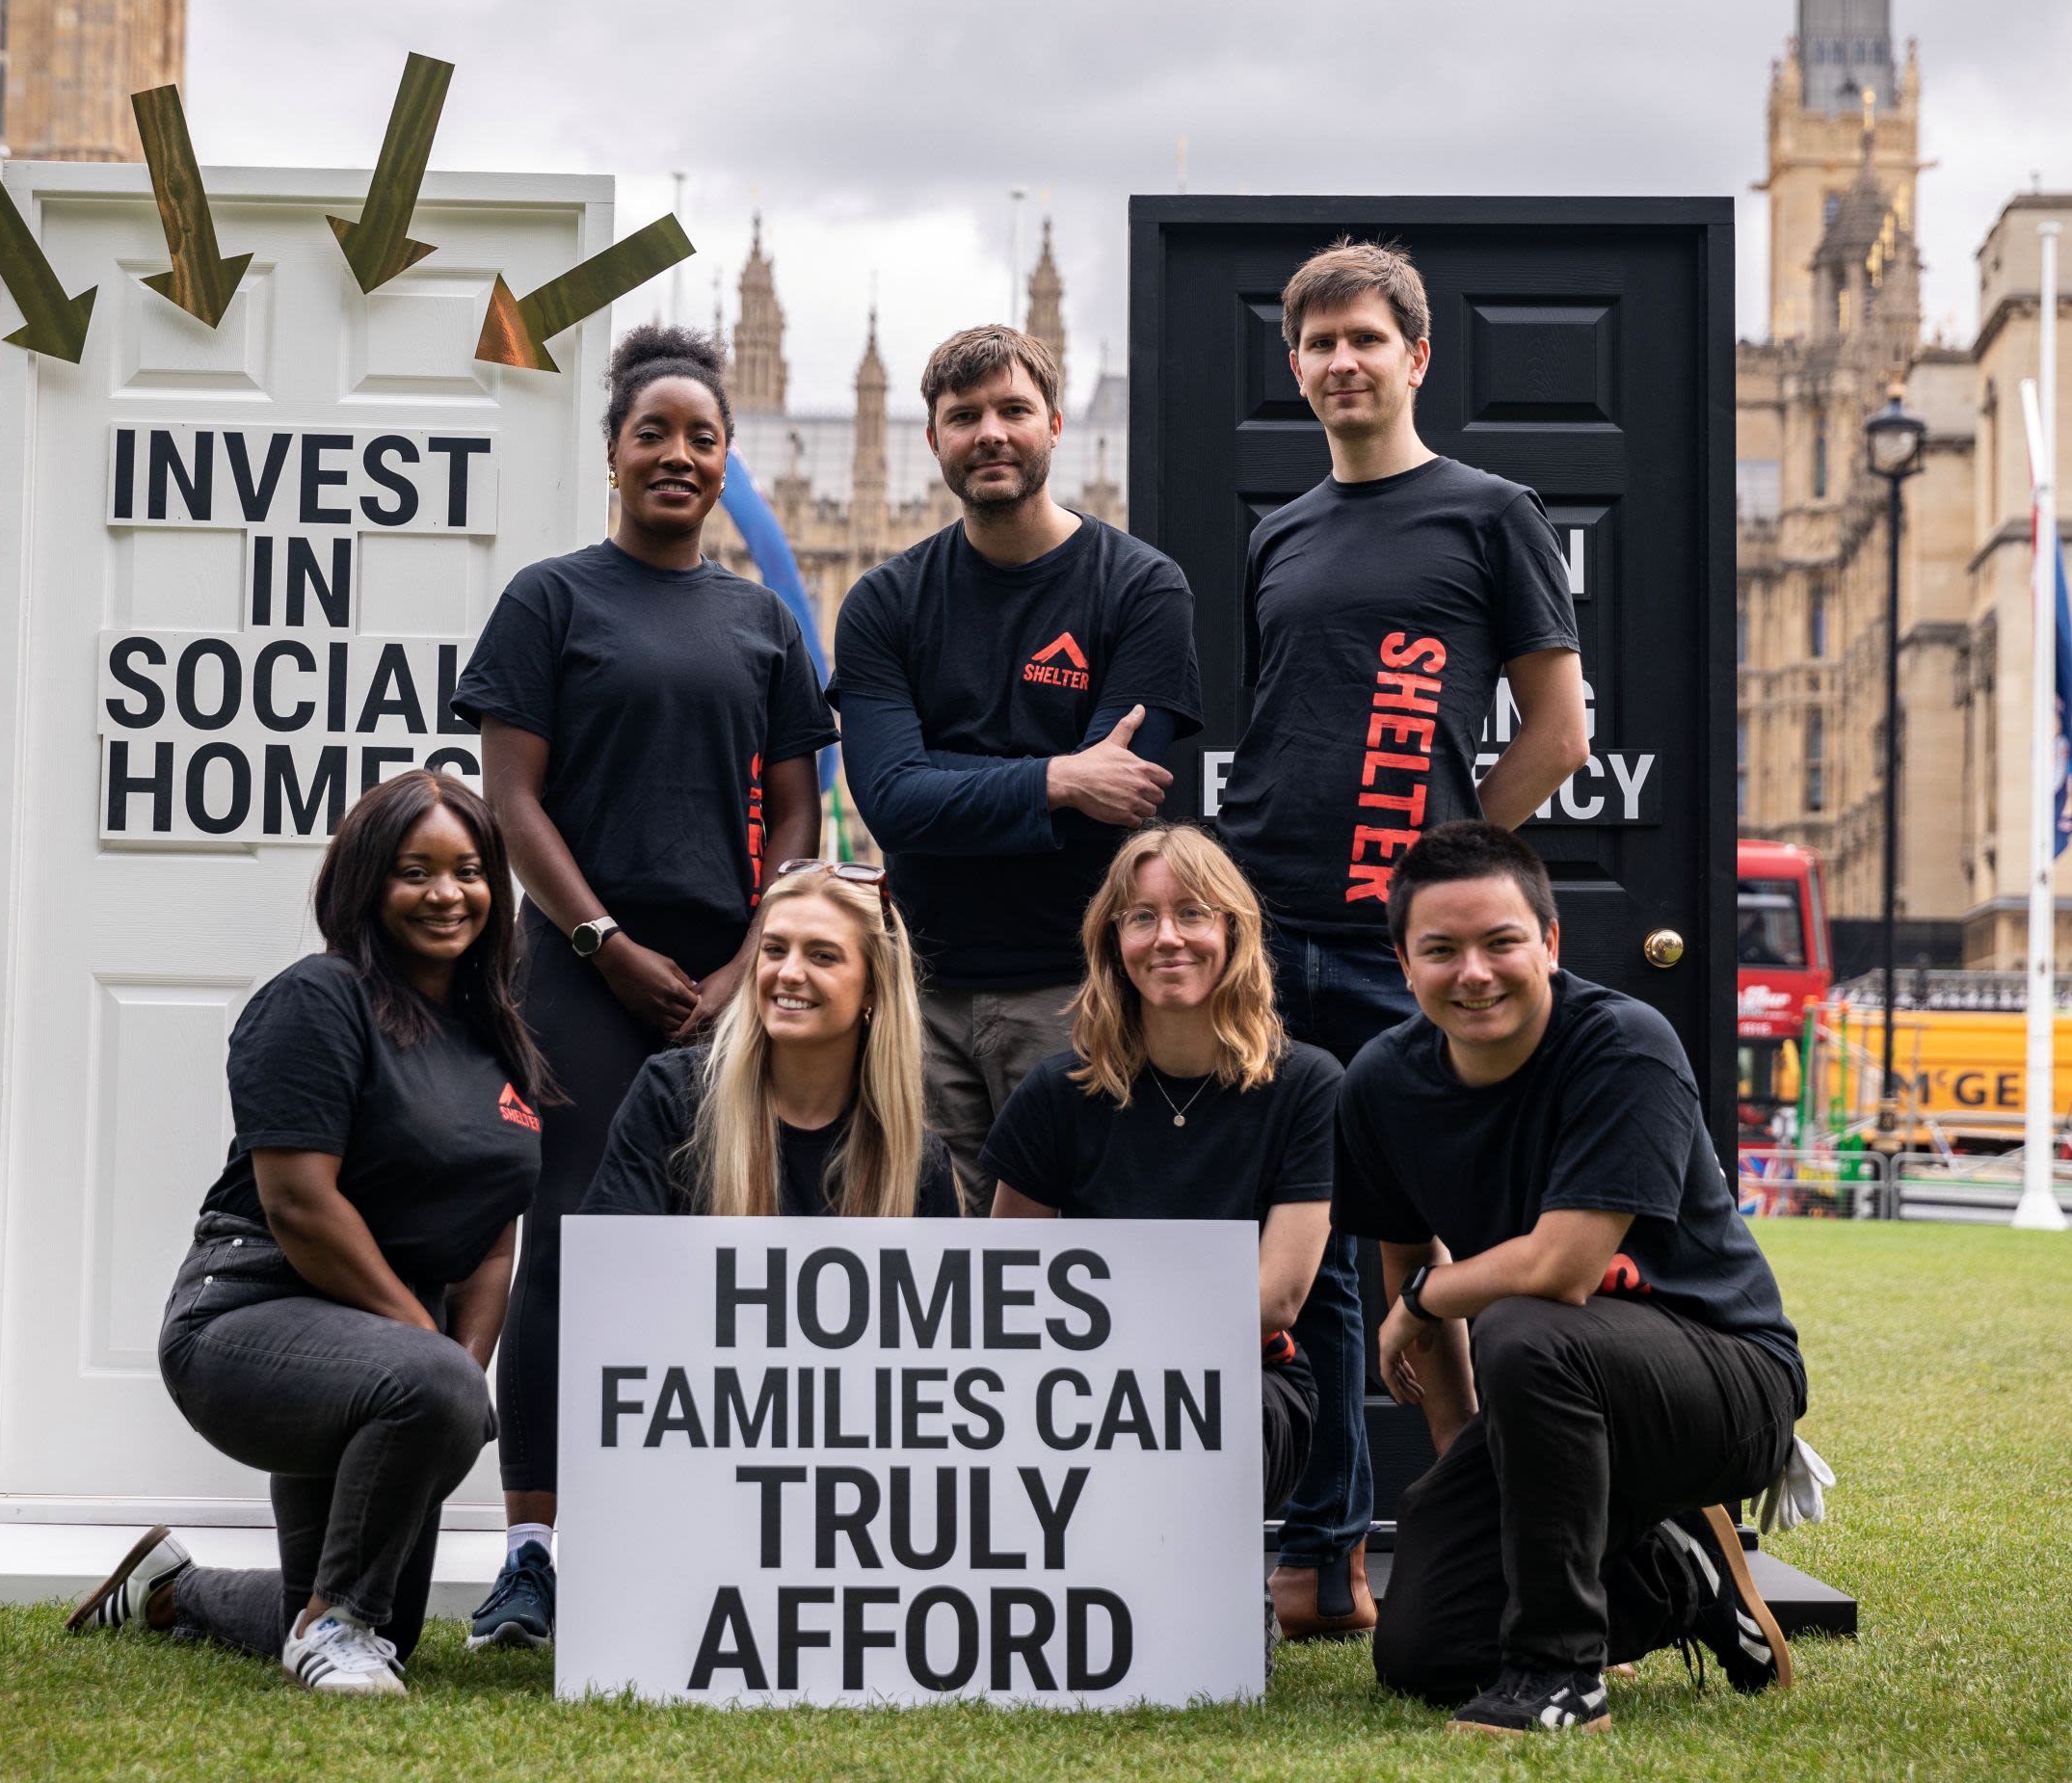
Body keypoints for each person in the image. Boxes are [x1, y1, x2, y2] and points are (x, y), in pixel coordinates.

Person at [1213, 239, 1592, 1638]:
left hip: (1397, 953)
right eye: (1314, 345)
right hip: (1269, 933)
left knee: (1434, 1260)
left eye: (1364, 339)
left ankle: (1489, 1540)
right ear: (1296, 366)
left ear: (1415, 356)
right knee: (1304, 1260)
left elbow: (1559, 732)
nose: (1339, 363)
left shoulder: (1490, 512)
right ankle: (1324, 1560)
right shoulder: (1282, 531)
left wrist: (1442, 871)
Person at [451, 325, 836, 1650]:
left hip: (731, 981)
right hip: (571, 973)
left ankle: (697, 1529)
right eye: (653, 433)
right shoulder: (552, 602)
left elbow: (799, 813)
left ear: (728, 461)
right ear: (611, 451)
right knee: (565, 1245)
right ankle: (537, 1551)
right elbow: (510, 800)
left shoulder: (761, 620)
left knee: (724, 1247)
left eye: (702, 437)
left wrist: (744, 968)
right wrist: (606, 941)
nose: (679, 453)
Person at [65, 772, 545, 1695]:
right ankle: (334, 1627)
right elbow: (300, 1205)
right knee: (358, 1609)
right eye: (416, 871)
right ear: (366, 881)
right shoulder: (316, 1000)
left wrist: (459, 1373)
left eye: (470, 870)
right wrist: (434, 1359)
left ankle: (178, 1591)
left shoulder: (498, 1033)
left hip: (387, 1347)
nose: (447, 893)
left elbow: (494, 1233)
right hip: (252, 1314)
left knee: (392, 1627)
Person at [1338, 822, 1806, 1737]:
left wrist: (1424, 1301)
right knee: (1422, 1654)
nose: (1473, 971)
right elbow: (1406, 1275)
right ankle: (1679, 1573)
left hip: (1724, 1381)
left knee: (1526, 1325)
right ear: (1404, 965)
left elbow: (1560, 1269)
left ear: (1548, 944)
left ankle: (1559, 1675)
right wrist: (1470, 1455)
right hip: (1553, 1382)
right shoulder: (1381, 1085)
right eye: (1441, 949)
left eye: (1501, 941)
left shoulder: (1625, 1045)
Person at [829, 325, 1204, 1215]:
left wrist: (956, 782)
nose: (989, 433)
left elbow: (1125, 794)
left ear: (1056, 425)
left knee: (1089, 1248)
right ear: (932, 439)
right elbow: (890, 799)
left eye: (1012, 410)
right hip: (920, 997)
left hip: (1080, 993)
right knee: (930, 1269)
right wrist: (1058, 779)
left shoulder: (1140, 588)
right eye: (964, 416)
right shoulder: (885, 602)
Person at [979, 825, 1337, 1562]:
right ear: (1114, 941)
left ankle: (1220, 1595)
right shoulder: (1055, 1092)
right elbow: (1004, 1283)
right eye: (1142, 917)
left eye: (1194, 912)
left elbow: (1277, 1298)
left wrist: (1120, 1354)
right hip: (1075, 1384)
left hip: (1247, 1379)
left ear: (1233, 931)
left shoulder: (1308, 1086)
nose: (1167, 937)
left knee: (1210, 1419)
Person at [578, 860, 961, 1225]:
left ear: (873, 988)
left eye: (823, 956)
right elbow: (611, 1272)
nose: (790, 973)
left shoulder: (918, 1159)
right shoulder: (671, 1096)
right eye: (775, 949)